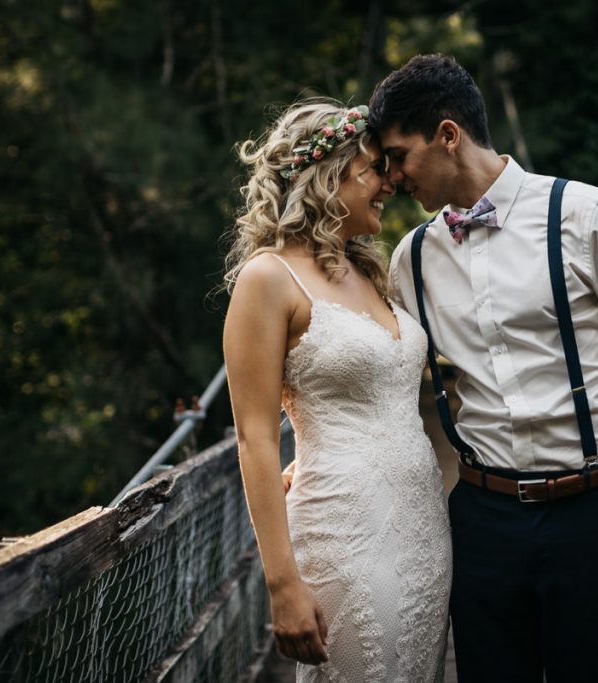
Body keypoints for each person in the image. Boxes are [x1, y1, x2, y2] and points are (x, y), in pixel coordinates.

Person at [368, 55, 598, 682]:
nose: (393, 177)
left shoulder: (588, 214)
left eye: (399, 156)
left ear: (448, 134)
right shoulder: (412, 259)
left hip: (596, 511)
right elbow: (380, 369)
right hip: (482, 517)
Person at [222, 99, 452, 682]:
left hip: (426, 531)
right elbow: (254, 438)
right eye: (374, 168)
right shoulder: (268, 278)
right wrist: (283, 585)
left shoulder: (371, 273)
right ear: (328, 175)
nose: (390, 183)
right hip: (345, 534)